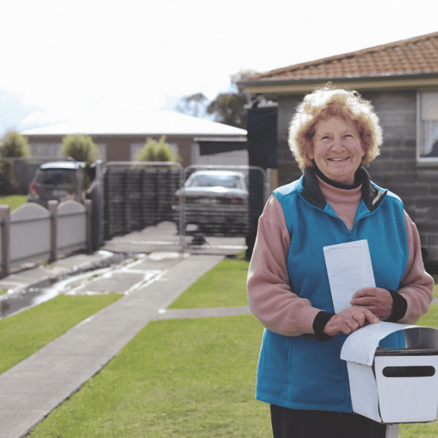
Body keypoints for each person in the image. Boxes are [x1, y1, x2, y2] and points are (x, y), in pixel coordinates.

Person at [247, 84, 434, 438]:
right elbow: (264, 291)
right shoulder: (283, 206)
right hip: (302, 388)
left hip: (377, 382)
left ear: (365, 145)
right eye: (325, 137)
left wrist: (395, 303)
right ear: (309, 147)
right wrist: (323, 321)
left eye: (348, 135)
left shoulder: (392, 209)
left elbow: (420, 286)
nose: (337, 146)